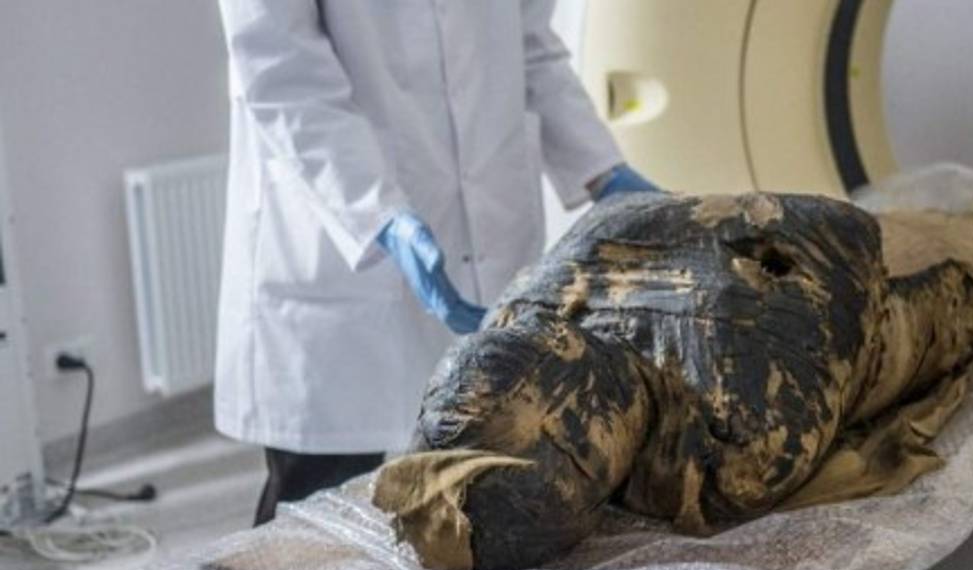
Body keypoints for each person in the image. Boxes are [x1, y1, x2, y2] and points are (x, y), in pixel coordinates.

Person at [213, 0, 657, 525]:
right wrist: (380, 216)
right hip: (336, 237)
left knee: (480, 494)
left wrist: (601, 168)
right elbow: (284, 77)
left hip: (488, 222)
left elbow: (533, 47)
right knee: (314, 513)